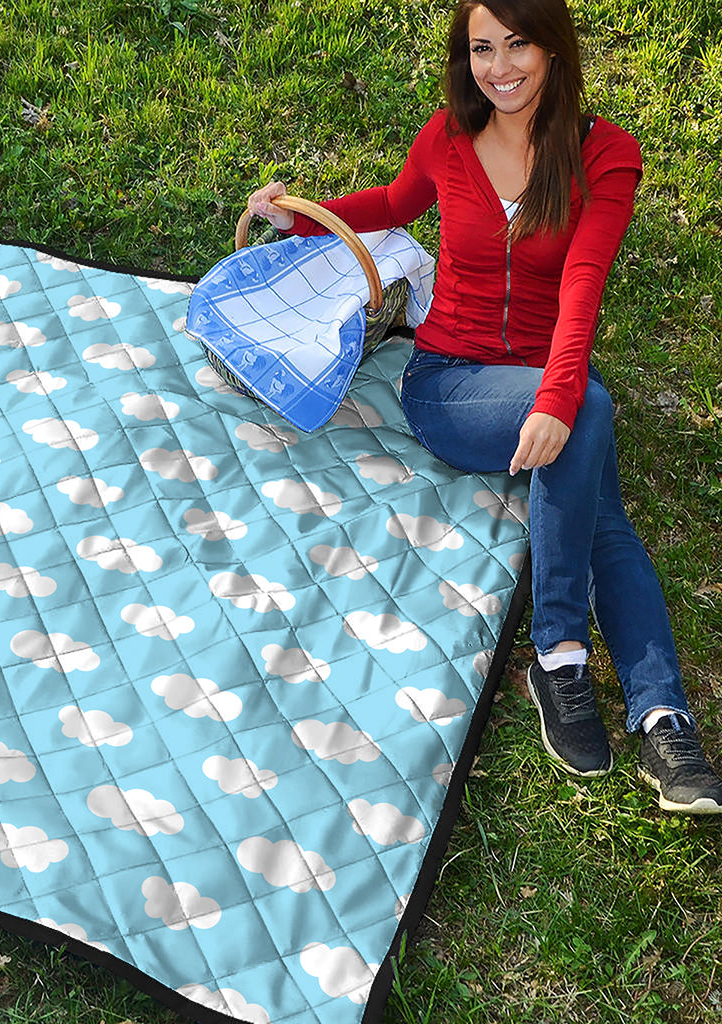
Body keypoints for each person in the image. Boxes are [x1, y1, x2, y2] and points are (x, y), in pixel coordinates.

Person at [246, 0, 722, 814]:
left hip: (541, 377)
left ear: (553, 48)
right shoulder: (448, 137)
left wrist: (559, 396)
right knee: (592, 421)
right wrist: (301, 221)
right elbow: (394, 205)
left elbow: (583, 284)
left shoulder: (605, 155)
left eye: (518, 44)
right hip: (448, 384)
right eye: (481, 49)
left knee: (597, 480)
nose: (499, 67)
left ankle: (656, 714)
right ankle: (567, 655)